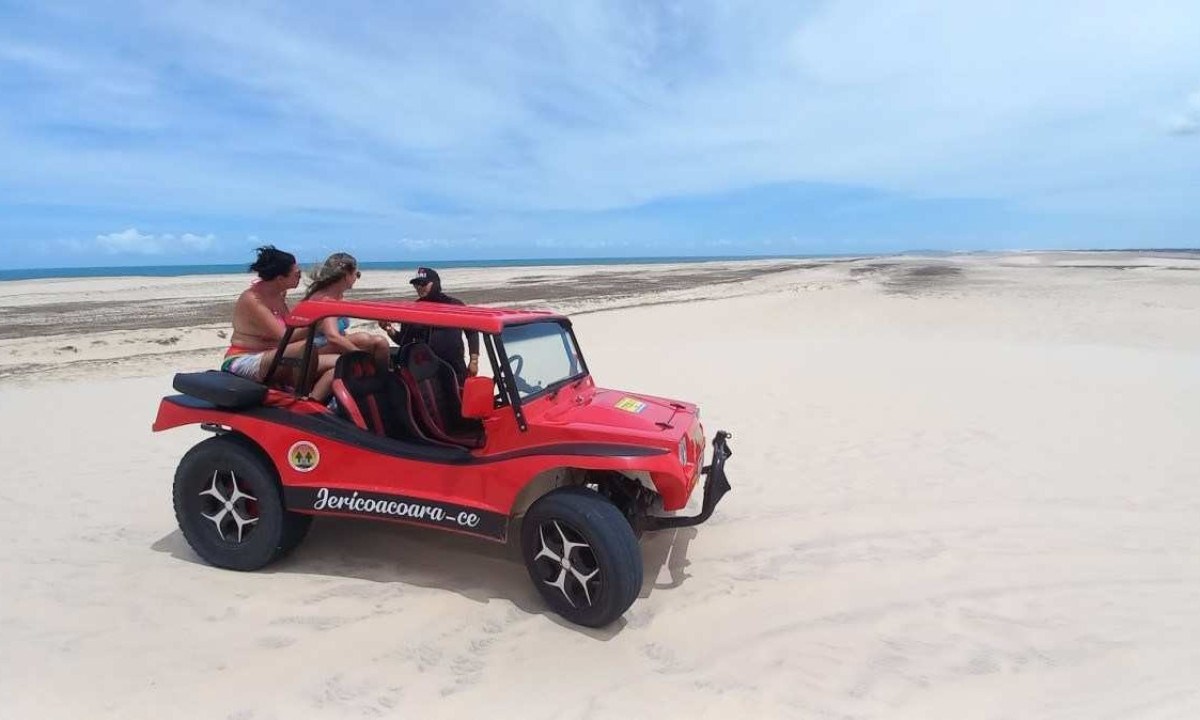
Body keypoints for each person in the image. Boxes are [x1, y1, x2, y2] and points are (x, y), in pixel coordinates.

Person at [222, 246, 325, 393]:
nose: (300, 277)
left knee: (337, 362)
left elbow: (291, 328)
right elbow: (284, 337)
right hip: (244, 359)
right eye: (297, 274)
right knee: (305, 348)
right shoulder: (253, 299)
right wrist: (315, 324)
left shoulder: (279, 294)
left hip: (273, 355)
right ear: (280, 278)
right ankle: (300, 397)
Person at [302, 253, 391, 396]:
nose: (357, 278)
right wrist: (360, 355)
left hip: (323, 347)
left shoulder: (336, 295)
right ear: (346, 275)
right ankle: (383, 386)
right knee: (378, 343)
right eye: (357, 274)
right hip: (313, 351)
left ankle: (380, 383)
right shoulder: (327, 299)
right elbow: (333, 337)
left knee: (374, 342)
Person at [380, 266, 480, 386]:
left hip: (455, 366)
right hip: (425, 369)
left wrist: (474, 360)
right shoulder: (413, 310)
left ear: (435, 283)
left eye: (423, 284)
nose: (419, 287)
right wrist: (389, 330)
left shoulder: (455, 305)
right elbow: (404, 341)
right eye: (416, 284)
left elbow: (472, 332)